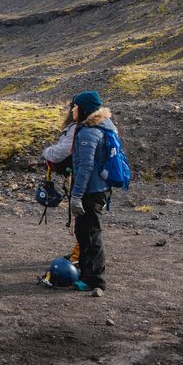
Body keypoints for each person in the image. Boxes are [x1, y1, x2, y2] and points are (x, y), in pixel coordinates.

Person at [67, 91, 118, 292]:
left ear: (85, 109)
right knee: (84, 231)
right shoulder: (103, 127)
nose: (72, 110)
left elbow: (86, 167)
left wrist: (76, 195)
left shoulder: (89, 132)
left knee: (91, 234)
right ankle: (88, 274)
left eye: (76, 106)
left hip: (91, 191)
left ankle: (95, 280)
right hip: (100, 189)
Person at [41, 103, 80, 264]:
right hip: (78, 175)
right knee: (83, 217)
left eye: (74, 107)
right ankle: (80, 251)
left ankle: (81, 254)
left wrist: (47, 152)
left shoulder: (77, 128)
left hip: (79, 176)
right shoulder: (82, 127)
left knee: (81, 216)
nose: (71, 110)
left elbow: (62, 151)